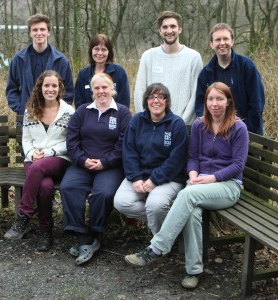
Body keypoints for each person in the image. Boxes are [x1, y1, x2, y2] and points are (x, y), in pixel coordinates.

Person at [125, 82, 249, 290]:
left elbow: (238, 166)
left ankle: (157, 248)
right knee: (191, 213)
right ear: (206, 102)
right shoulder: (200, 125)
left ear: (228, 102)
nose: (214, 103)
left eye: (220, 99)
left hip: (227, 186)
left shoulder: (239, 128)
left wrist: (211, 178)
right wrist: (193, 174)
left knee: (187, 195)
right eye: (210, 99)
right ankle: (194, 271)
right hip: (198, 184)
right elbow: (192, 157)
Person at [60, 73, 132, 265]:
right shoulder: (82, 111)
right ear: (92, 91)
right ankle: (85, 238)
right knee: (68, 187)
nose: (101, 91)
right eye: (97, 88)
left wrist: (105, 162)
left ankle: (95, 232)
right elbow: (71, 141)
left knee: (103, 193)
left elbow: (124, 144)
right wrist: (83, 160)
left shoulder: (122, 113)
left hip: (110, 166)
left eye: (105, 87)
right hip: (83, 164)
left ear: (112, 89)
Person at [4, 70, 75, 251]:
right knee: (44, 186)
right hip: (33, 158)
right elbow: (26, 139)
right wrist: (31, 153)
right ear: (40, 88)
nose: (50, 89)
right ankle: (46, 232)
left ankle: (23, 214)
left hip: (58, 158)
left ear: (60, 88)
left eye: (54, 85)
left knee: (38, 168)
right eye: (46, 85)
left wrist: (50, 151)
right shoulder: (31, 109)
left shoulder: (68, 111)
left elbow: (70, 142)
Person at [114, 83, 188, 235]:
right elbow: (129, 152)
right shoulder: (136, 121)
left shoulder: (177, 124)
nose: (156, 101)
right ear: (146, 101)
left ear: (167, 102)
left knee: (155, 205)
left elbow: (176, 160)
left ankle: (158, 246)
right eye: (152, 97)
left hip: (169, 178)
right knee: (121, 202)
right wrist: (135, 178)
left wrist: (155, 179)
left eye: (161, 97)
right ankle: (173, 226)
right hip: (140, 176)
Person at [133, 11, 203, 125]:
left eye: (173, 26)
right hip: (151, 125)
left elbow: (196, 95)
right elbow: (139, 92)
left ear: (180, 29)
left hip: (181, 127)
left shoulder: (194, 58)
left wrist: (180, 124)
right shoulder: (148, 56)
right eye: (165, 27)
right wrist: (145, 121)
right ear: (160, 31)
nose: (169, 31)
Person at [195, 23, 265, 135]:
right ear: (211, 44)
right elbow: (200, 106)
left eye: (225, 39)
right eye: (218, 40)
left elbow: (257, 103)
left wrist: (245, 131)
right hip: (215, 134)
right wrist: (212, 128)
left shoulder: (247, 66)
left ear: (232, 41)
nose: (222, 43)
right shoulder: (206, 74)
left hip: (247, 133)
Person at [6, 14, 74, 115]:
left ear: (48, 32)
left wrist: (56, 111)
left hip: (53, 119)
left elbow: (68, 92)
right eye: (35, 30)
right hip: (26, 117)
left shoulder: (61, 61)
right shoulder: (18, 60)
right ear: (30, 33)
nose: (39, 33)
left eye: (42, 29)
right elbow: (11, 89)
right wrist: (21, 108)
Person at [74, 34, 130, 108]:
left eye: (103, 49)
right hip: (88, 118)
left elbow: (124, 101)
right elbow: (79, 102)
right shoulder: (83, 74)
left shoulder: (119, 72)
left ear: (109, 52)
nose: (100, 53)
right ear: (91, 51)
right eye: (96, 49)